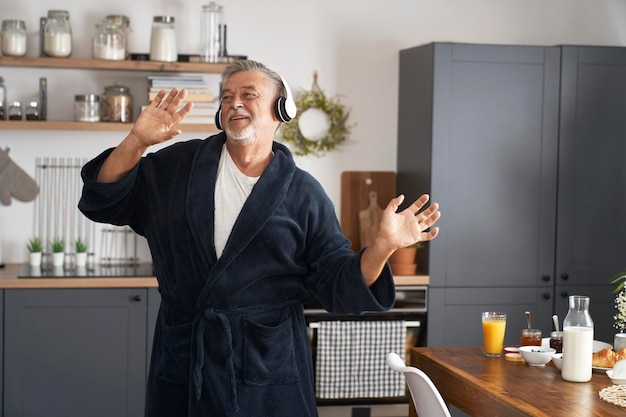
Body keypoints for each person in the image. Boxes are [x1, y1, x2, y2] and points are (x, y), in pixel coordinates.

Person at [78, 60, 441, 417]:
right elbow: (105, 200)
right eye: (226, 96)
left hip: (266, 369)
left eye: (248, 94)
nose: (234, 102)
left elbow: (337, 283)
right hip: (186, 358)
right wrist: (136, 141)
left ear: (280, 110)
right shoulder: (177, 167)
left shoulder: (303, 194)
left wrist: (382, 246)